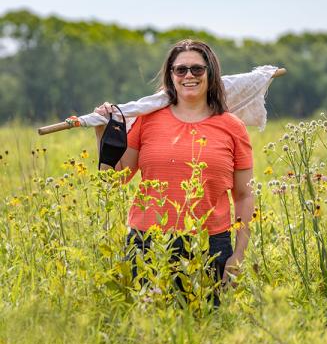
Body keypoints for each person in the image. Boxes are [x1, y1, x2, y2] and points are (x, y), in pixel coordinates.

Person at [94, 39, 254, 300]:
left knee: (208, 330)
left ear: (211, 73)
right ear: (171, 76)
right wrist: (102, 129)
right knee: (148, 329)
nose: (188, 75)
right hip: (147, 243)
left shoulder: (232, 127)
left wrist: (238, 255)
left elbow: (245, 195)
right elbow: (113, 180)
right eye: (180, 70)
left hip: (210, 245)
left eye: (197, 69)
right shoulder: (147, 120)